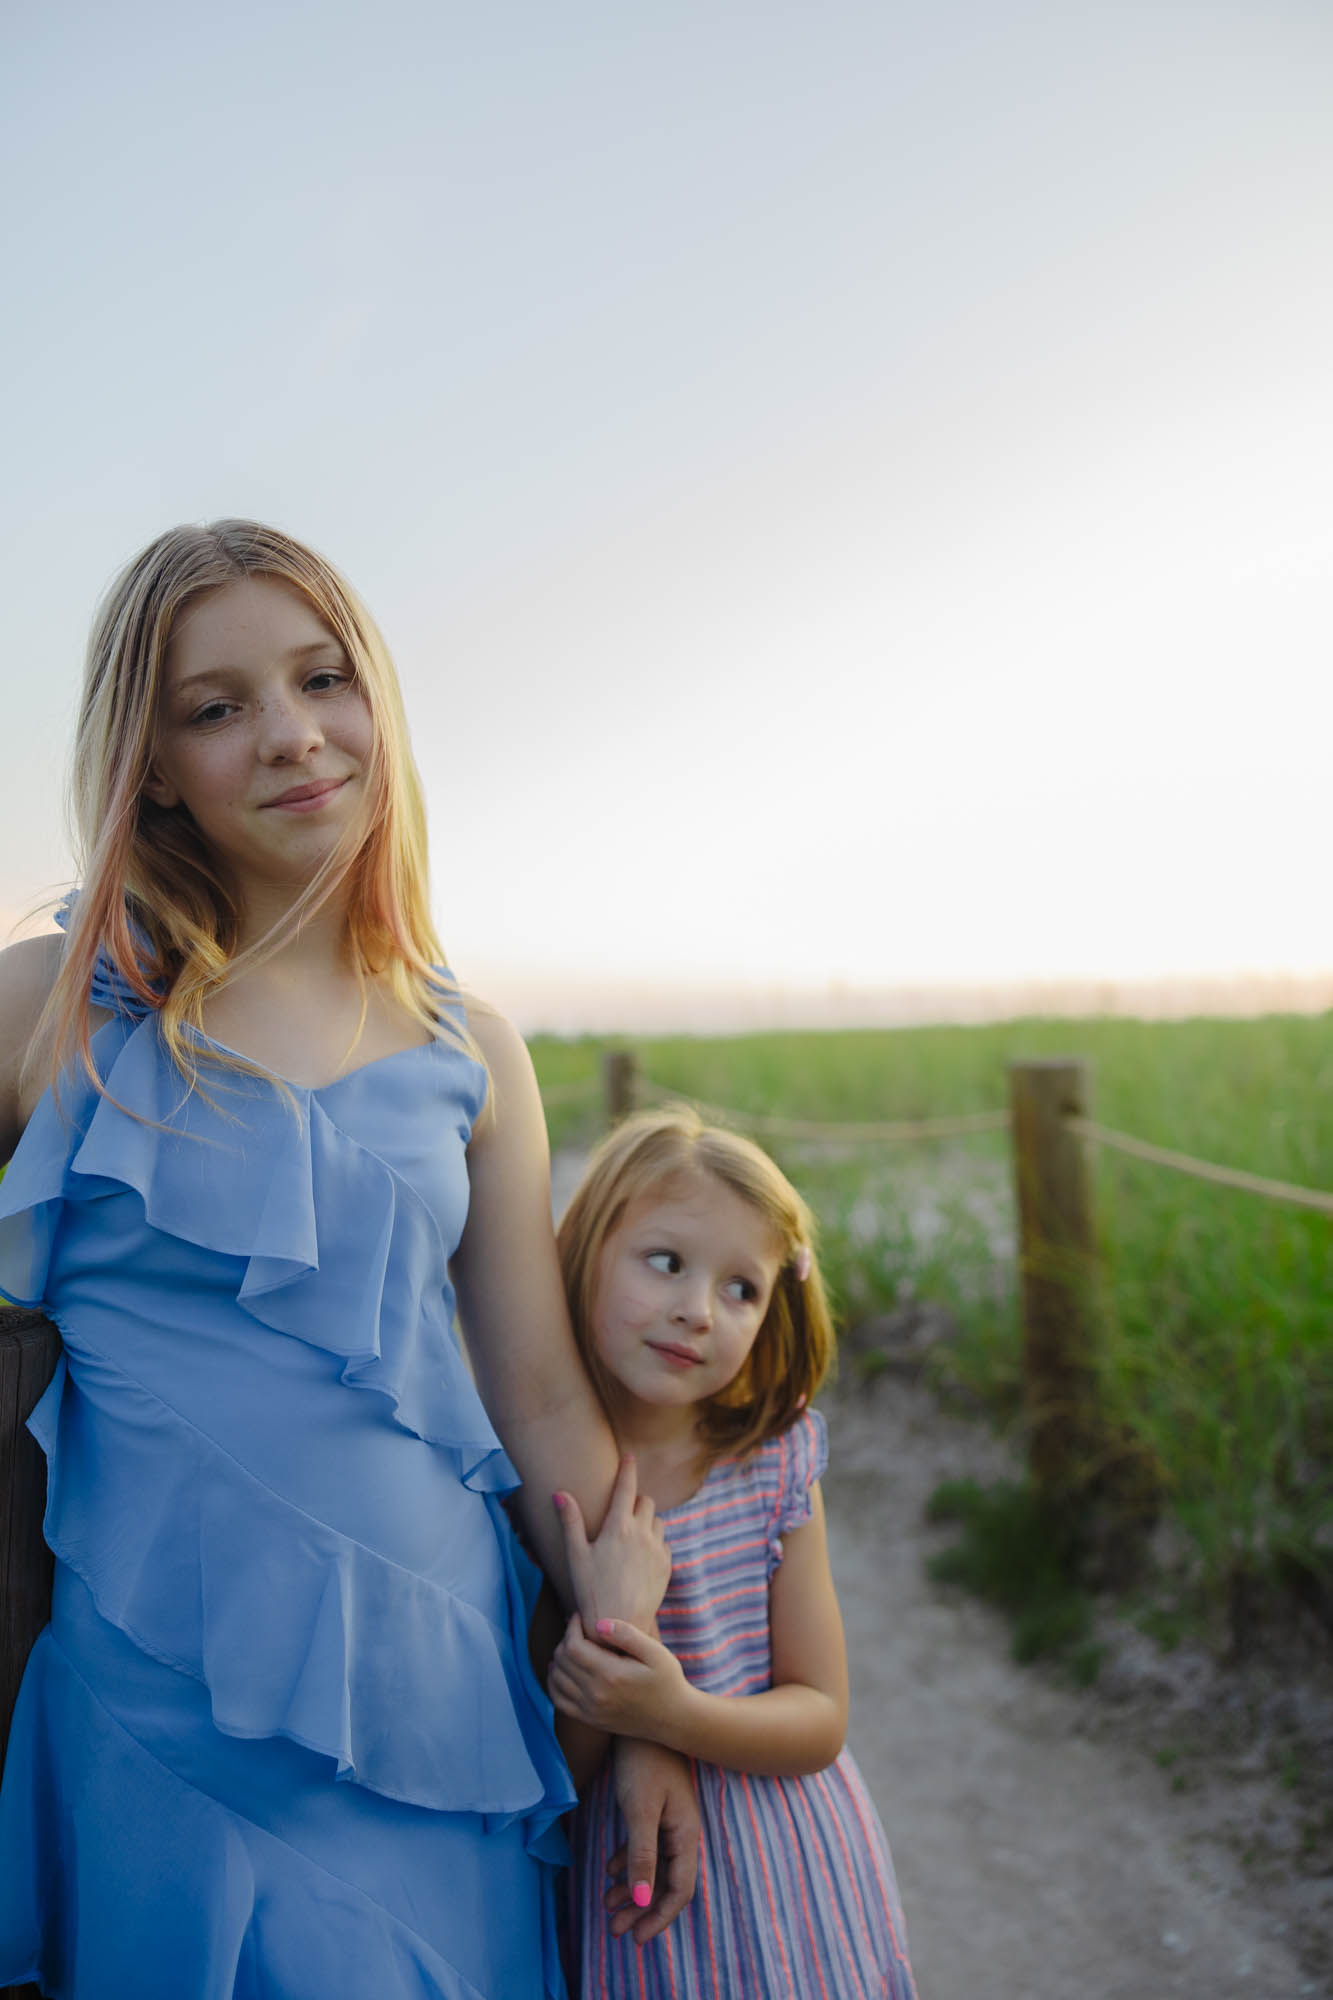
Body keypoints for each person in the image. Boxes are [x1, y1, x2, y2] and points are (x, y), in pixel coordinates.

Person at [0, 520, 699, 2000]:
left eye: (323, 679)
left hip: (432, 1699)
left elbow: (541, 1409)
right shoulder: (53, 1004)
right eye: (216, 706)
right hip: (156, 1713)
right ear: (154, 760)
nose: (290, 736)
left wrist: (647, 1692)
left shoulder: (472, 1051)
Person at [545, 1106, 919, 1998]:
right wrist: (615, 1663)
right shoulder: (524, 1477)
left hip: (793, 1874)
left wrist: (671, 1714)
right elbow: (551, 1766)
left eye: (739, 1288)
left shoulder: (771, 1464)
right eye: (666, 1263)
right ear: (589, 1244)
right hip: (627, 1892)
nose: (694, 1311)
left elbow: (820, 1715)